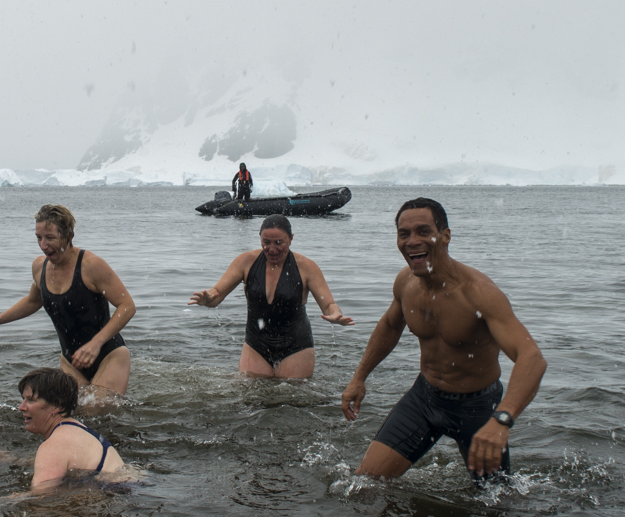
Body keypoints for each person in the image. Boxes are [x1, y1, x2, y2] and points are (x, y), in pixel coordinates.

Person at [340, 198, 546, 479]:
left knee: (496, 510)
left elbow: (532, 358)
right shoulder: (406, 283)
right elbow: (390, 326)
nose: (412, 241)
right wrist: (359, 377)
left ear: (445, 236)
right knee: (363, 484)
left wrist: (502, 420)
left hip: (478, 407)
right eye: (404, 234)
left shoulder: (478, 293)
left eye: (423, 232)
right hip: (424, 399)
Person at [0, 204, 135, 396]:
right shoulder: (40, 266)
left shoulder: (91, 265)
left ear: (69, 236)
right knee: (74, 413)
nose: (43, 245)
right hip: (71, 361)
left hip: (109, 355)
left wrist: (96, 343)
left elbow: (127, 306)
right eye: (39, 238)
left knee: (98, 411)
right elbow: (33, 301)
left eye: (50, 238)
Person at [189, 214, 353, 378]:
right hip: (255, 344)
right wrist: (207, 299)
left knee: (292, 398)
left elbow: (328, 304)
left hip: (296, 345)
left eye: (279, 243)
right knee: (250, 398)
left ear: (291, 239)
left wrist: (335, 314)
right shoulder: (246, 261)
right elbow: (216, 294)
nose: (272, 249)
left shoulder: (306, 267)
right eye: (266, 242)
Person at [15, 367, 127, 491]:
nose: (21, 407)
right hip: (130, 490)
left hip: (113, 495)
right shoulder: (76, 429)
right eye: (23, 399)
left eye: (31, 400)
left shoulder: (54, 446)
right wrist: (12, 459)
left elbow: (41, 499)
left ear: (56, 405)